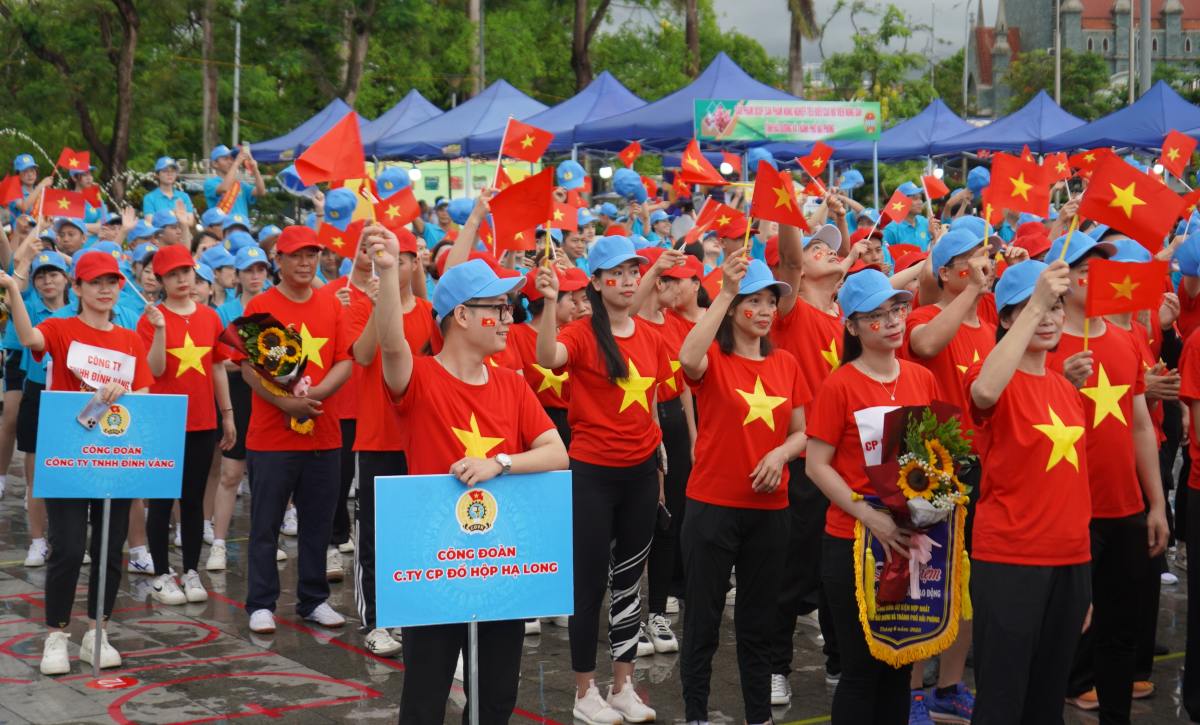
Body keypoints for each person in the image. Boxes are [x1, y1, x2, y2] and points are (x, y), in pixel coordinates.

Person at [373, 231, 568, 725]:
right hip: (433, 563)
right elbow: (393, 348)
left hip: (500, 560)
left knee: (496, 698)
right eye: (497, 308)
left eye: (509, 307)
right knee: (424, 696)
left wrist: (499, 463)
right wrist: (388, 275)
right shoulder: (419, 377)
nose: (509, 318)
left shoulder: (511, 382)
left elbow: (556, 453)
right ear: (461, 315)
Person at [536, 235, 670, 724]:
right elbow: (548, 357)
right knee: (588, 585)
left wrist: (658, 470)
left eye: (636, 271)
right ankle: (584, 690)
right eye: (618, 272)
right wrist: (551, 302)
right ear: (595, 281)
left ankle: (623, 686)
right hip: (592, 473)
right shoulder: (581, 332)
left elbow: (653, 407)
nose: (630, 279)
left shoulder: (653, 337)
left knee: (631, 582)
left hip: (639, 473)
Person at [0, 251, 155, 675]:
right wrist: (14, 288)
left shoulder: (129, 338)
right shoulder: (61, 328)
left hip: (114, 455)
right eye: (96, 282)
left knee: (108, 547)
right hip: (69, 453)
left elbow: (143, 391)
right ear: (79, 288)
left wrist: (123, 395)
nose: (105, 290)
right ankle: (56, 635)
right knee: (67, 548)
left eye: (112, 282)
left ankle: (97, 633)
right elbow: (31, 339)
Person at [676, 254, 809, 725]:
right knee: (703, 622)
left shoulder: (787, 362)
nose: (766, 309)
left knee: (759, 623)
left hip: (770, 512)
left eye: (771, 301)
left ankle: (759, 716)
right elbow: (686, 358)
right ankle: (695, 713)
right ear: (734, 309)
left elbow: (802, 431)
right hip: (713, 506)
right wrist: (728, 291)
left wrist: (780, 455)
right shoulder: (713, 356)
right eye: (754, 301)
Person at [1044, 233, 1170, 722]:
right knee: (1063, 634)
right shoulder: (1045, 345)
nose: (1104, 277)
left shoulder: (1123, 340)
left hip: (1124, 510)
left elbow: (1140, 424)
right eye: (1091, 268)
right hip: (1068, 513)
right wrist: (1062, 383)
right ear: (1067, 278)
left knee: (1120, 632)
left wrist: (1155, 504)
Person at [805, 268, 938, 724]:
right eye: (878, 315)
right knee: (862, 672)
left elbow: (932, 459)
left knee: (900, 667)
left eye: (898, 309)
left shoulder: (922, 378)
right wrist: (871, 516)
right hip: (853, 542)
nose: (895, 321)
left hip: (910, 541)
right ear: (853, 326)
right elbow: (816, 464)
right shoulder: (839, 385)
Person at [965, 259, 1092, 723]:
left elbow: (1074, 489)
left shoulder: (1065, 387)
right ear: (1004, 319)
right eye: (1033, 310)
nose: (1050, 317)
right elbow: (982, 393)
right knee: (1002, 700)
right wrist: (1037, 300)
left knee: (1047, 702)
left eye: (1058, 307)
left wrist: (1084, 576)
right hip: (1012, 561)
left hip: (1070, 564)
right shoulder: (994, 375)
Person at [235, 225, 352, 634]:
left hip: (324, 431)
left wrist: (315, 393)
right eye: (296, 255)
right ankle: (261, 602)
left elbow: (345, 360)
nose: (305, 263)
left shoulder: (331, 305)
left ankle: (314, 598)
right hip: (271, 435)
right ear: (278, 261)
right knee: (266, 522)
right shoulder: (260, 307)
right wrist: (285, 402)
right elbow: (247, 368)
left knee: (318, 522)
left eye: (312, 255)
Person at [769, 223, 847, 701]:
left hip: (846, 458)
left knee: (838, 565)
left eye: (832, 249)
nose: (825, 252)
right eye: (817, 247)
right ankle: (777, 666)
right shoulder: (791, 311)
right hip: (801, 455)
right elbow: (793, 262)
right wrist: (785, 212)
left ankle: (840, 660)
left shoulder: (848, 316)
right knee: (793, 565)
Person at [137, 245, 235, 606]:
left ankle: (191, 570)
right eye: (173, 274)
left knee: (193, 501)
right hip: (163, 420)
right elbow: (155, 369)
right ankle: (162, 574)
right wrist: (160, 330)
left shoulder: (211, 317)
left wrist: (227, 414)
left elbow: (218, 366)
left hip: (202, 420)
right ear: (160, 280)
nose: (182, 279)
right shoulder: (150, 318)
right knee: (162, 500)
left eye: (187, 272)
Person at [350, 225, 430, 657]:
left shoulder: (432, 312)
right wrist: (384, 304)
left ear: (413, 264)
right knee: (375, 534)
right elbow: (363, 355)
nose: (392, 265)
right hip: (377, 438)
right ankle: (377, 619)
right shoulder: (362, 306)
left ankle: (411, 609)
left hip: (420, 440)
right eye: (385, 257)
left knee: (417, 532)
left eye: (400, 259)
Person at [207, 244, 274, 571]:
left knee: (269, 472)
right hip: (237, 394)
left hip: (268, 394)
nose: (255, 276)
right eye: (249, 270)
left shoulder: (275, 305)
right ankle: (218, 543)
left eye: (260, 269)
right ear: (238, 275)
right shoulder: (225, 311)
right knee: (231, 471)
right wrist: (248, 361)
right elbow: (218, 360)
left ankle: (270, 538)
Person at [10, 249, 71, 571]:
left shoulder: (78, 311)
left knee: (69, 471)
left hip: (71, 396)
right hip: (38, 391)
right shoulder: (29, 306)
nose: (48, 281)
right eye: (41, 275)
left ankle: (64, 540)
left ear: (67, 279)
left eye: (54, 274)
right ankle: (37, 540)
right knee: (36, 473)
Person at [204, 145, 265, 220]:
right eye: (225, 159)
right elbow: (224, 188)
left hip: (242, 227)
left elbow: (261, 192)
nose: (230, 162)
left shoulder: (240, 185)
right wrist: (236, 163)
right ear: (215, 164)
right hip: (222, 228)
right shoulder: (210, 183)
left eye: (232, 159)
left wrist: (255, 170)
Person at [881, 182, 931, 252]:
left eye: (920, 198)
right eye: (915, 198)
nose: (920, 202)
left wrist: (936, 235)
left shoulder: (925, 222)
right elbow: (886, 257)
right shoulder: (891, 230)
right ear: (902, 201)